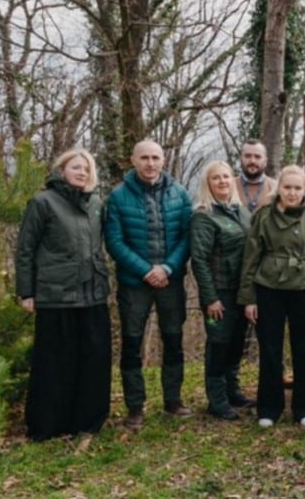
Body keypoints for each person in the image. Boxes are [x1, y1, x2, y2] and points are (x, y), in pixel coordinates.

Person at [16, 149, 111, 443]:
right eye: (75, 167)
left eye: (86, 168)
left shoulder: (96, 202)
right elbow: (25, 250)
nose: (81, 172)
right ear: (62, 170)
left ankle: (87, 421)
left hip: (92, 293)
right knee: (55, 362)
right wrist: (26, 291)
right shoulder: (43, 202)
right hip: (55, 295)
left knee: (93, 359)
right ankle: (47, 425)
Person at [105, 140, 193, 430]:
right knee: (131, 343)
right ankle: (135, 407)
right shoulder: (118, 197)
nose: (150, 163)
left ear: (164, 160)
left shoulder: (179, 194)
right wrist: (146, 270)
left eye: (155, 157)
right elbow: (114, 242)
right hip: (134, 282)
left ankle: (173, 400)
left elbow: (187, 237)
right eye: (144, 158)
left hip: (171, 279)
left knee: (173, 340)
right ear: (133, 160)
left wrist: (167, 268)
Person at [238, 165, 305, 429]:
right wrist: (249, 298)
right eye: (287, 187)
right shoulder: (264, 216)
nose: (292, 193)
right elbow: (251, 258)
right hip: (269, 288)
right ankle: (269, 407)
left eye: (297, 188)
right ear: (279, 189)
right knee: (270, 350)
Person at [191, 161, 255, 421]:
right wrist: (210, 298)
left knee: (236, 343)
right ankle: (217, 400)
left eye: (226, 177)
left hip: (242, 292)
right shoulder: (204, 216)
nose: (222, 182)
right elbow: (199, 260)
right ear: (208, 183)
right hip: (220, 293)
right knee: (219, 344)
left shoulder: (241, 212)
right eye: (216, 178)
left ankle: (232, 390)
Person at [236, 139, 277, 213]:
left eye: (257, 157)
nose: (252, 161)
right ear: (240, 159)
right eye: (247, 156)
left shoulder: (276, 188)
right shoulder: (228, 186)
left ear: (265, 161)